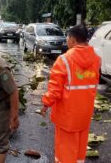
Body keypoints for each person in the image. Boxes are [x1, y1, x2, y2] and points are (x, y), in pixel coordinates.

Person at [40, 25, 100, 163]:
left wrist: (45, 104)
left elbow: (55, 89)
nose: (66, 40)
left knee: (65, 154)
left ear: (72, 39)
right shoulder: (96, 59)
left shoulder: (64, 60)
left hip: (67, 116)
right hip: (84, 114)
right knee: (79, 152)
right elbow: (93, 85)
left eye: (67, 37)